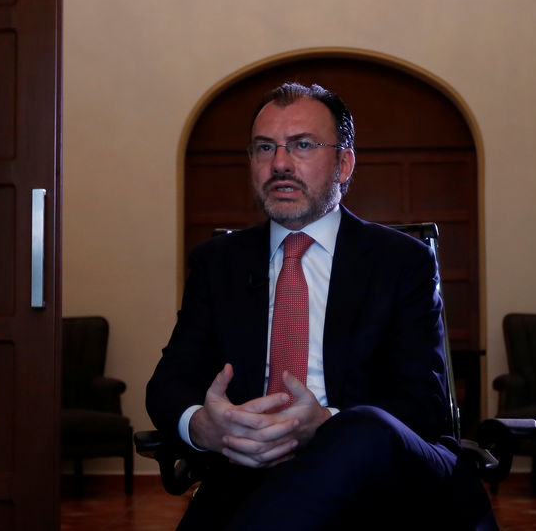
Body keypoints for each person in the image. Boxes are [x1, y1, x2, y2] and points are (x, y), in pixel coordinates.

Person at [146, 82, 497, 530]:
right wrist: (203, 426)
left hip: (384, 477)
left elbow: (422, 405)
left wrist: (324, 423)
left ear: (344, 162)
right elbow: (169, 383)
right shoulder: (219, 264)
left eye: (303, 145)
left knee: (365, 426)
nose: (279, 164)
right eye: (264, 148)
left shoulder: (400, 261)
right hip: (252, 470)